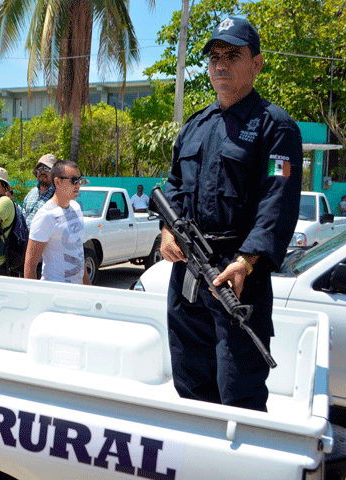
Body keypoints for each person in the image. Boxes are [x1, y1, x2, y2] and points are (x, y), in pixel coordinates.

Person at [160, 17, 303, 412]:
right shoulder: (196, 125)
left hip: (238, 275)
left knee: (239, 390)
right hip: (187, 272)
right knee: (190, 380)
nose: (220, 64)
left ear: (256, 64)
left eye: (233, 56)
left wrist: (247, 260)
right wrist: (167, 231)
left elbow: (278, 199)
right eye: (214, 57)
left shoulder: (276, 127)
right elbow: (173, 185)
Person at [24, 160, 90, 284]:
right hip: (55, 290)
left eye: (79, 180)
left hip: (78, 290)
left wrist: (88, 286)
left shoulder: (76, 208)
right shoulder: (46, 215)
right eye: (73, 180)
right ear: (57, 182)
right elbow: (30, 265)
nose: (78, 185)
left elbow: (79, 254)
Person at [23, 153, 57, 229]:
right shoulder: (31, 193)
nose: (43, 172)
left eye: (47, 169)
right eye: (40, 169)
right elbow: (23, 218)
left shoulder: (58, 195)